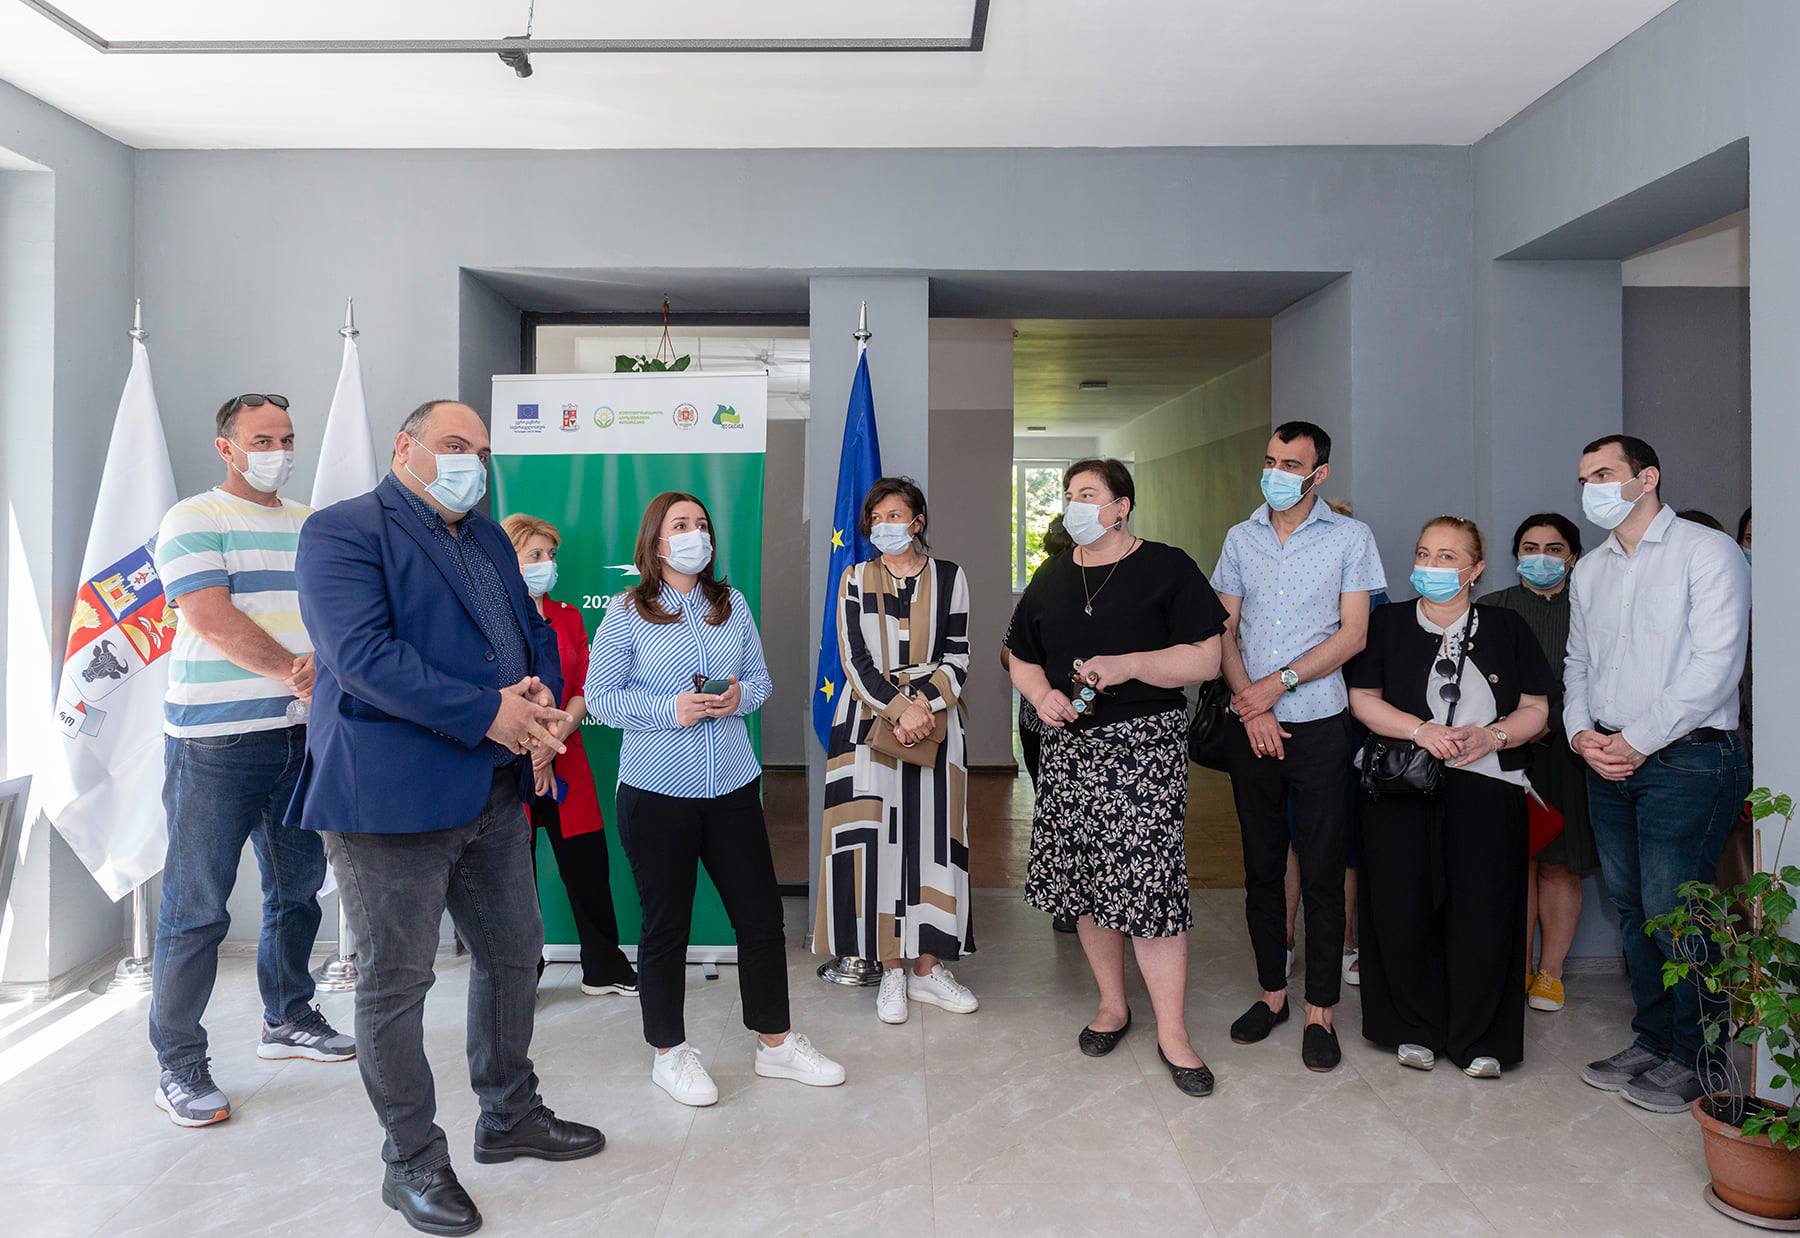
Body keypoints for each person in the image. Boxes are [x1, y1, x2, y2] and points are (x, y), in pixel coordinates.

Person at [292, 400, 605, 1236]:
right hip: (389, 799)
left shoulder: (491, 538)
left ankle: (509, 1115)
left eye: (482, 451)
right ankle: (412, 1162)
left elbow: (529, 630)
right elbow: (363, 659)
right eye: (455, 445)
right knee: (398, 983)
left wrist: (537, 692)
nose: (474, 463)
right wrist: (491, 712)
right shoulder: (343, 532)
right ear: (406, 448)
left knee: (514, 954)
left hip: (493, 789)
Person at [587, 492, 844, 1108]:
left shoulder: (732, 604)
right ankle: (669, 1052)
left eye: (701, 524)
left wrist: (738, 698)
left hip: (732, 785)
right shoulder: (627, 612)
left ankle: (775, 1043)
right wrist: (669, 708)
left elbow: (761, 681)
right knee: (665, 926)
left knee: (760, 918)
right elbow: (600, 698)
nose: (695, 534)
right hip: (656, 792)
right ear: (655, 542)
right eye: (681, 525)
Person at [147, 392, 353, 1128]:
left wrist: (318, 669)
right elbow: (210, 616)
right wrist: (295, 670)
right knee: (197, 907)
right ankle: (179, 1063)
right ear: (226, 446)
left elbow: (334, 611)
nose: (278, 451)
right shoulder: (193, 519)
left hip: (300, 736)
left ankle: (288, 1016)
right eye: (262, 439)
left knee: (296, 891)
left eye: (286, 438)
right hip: (216, 742)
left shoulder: (309, 523)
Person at [1009, 458, 1226, 1098]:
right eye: (1068, 494)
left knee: (1149, 886)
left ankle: (1174, 1033)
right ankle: (1112, 1005)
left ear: (1121, 506)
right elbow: (1017, 653)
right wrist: (1041, 694)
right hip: (1069, 751)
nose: (1073, 504)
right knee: (1086, 883)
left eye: (1088, 494)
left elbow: (1206, 658)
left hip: (1143, 747)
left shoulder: (1167, 567)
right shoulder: (1052, 574)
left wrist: (1129, 664)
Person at [1566, 435, 1751, 1114]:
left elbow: (1716, 667)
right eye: (1584, 478)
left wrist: (1636, 741)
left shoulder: (1708, 552)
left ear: (1647, 478)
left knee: (1678, 912)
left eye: (1604, 474)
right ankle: (1655, 1039)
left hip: (1689, 758)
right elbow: (1578, 664)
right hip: (1608, 758)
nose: (1592, 489)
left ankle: (1700, 1059)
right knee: (1633, 908)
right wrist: (1582, 734)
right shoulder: (1591, 569)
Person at [1349, 517, 1551, 1078]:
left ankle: (1480, 1036)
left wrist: (1494, 736)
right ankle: (1410, 1026)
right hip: (1402, 785)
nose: (1430, 566)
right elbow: (1362, 698)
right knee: (1401, 906)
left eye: (1446, 557)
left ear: (1475, 569)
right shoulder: (1387, 623)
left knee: (1484, 911)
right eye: (1423, 554)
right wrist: (1420, 731)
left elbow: (1537, 709)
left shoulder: (1507, 627)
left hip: (1487, 786)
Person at [1213, 421, 1386, 1073]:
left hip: (1318, 723)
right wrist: (1249, 701)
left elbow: (1354, 633)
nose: (1276, 473)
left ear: (1320, 473)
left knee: (1321, 869)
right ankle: (1272, 995)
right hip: (1251, 725)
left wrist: (1275, 686)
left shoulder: (1351, 538)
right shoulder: (1241, 538)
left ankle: (1321, 1011)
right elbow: (1223, 630)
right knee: (1261, 866)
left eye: (1291, 464)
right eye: (1270, 461)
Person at [816, 478, 977, 1025]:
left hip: (936, 720)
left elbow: (958, 654)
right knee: (876, 844)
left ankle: (928, 968)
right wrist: (898, 708)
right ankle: (890, 970)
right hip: (868, 721)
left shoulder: (950, 577)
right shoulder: (854, 578)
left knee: (935, 841)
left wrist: (923, 705)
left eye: (895, 514)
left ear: (917, 521)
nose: (884, 524)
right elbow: (853, 658)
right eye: (877, 516)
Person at [503, 514, 638, 996]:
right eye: (535, 555)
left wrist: (552, 739)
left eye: (551, 555)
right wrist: (532, 749)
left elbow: (584, 687)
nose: (547, 564)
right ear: (510, 561)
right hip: (511, 761)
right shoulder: (495, 620)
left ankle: (604, 967)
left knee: (587, 865)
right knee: (512, 875)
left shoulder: (568, 616)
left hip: (566, 754)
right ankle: (521, 976)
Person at [1478, 513, 1595, 1015]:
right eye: (1530, 548)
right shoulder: (1492, 608)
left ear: (1573, 556)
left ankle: (1551, 973)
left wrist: (1553, 720)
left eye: (1554, 548)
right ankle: (1517, 968)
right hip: (1503, 751)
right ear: (1515, 555)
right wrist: (1519, 723)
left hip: (1570, 753)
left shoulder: (1591, 608)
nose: (1541, 558)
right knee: (1513, 864)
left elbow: (1601, 674)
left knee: (1559, 865)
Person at [1002, 513, 1077, 934]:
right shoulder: (1043, 585)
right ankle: (1070, 900)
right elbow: (1008, 652)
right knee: (1058, 809)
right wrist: (1043, 677)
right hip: (1042, 723)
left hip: (1103, 724)